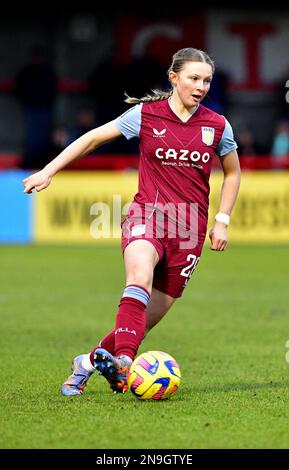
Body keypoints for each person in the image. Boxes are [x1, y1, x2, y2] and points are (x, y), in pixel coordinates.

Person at [23, 47, 241, 396]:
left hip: (189, 229)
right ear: (174, 78)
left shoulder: (217, 125)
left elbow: (232, 173)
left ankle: (88, 362)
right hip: (147, 215)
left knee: (140, 323)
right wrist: (49, 171)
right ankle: (125, 363)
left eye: (206, 80)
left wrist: (222, 220)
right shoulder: (145, 115)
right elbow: (93, 137)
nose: (200, 86)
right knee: (138, 277)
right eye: (193, 78)